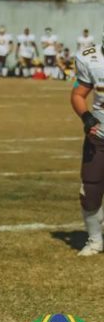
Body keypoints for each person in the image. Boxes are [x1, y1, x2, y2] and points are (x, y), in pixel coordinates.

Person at [71, 39, 104, 256]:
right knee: (90, 190)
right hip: (100, 135)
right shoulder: (91, 58)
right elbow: (78, 94)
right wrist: (87, 118)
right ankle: (95, 239)